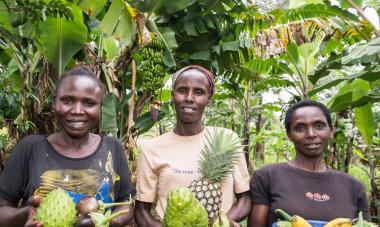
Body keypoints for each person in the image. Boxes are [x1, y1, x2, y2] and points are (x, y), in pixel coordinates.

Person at [0, 65, 135, 227]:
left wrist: (107, 221)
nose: (77, 110)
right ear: (54, 102)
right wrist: (25, 213)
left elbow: (126, 202)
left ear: (100, 107)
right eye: (67, 100)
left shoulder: (113, 147)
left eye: (89, 103)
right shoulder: (30, 148)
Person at [134, 65, 251, 227]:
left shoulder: (226, 139)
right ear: (173, 95)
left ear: (209, 99)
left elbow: (245, 198)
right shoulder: (151, 148)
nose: (189, 98)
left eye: (199, 92)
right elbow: (141, 211)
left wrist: (224, 223)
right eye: (182, 90)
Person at [248, 100, 369, 227]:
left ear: (331, 130)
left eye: (319, 126)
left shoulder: (353, 186)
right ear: (289, 135)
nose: (311, 134)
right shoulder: (267, 176)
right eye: (300, 128)